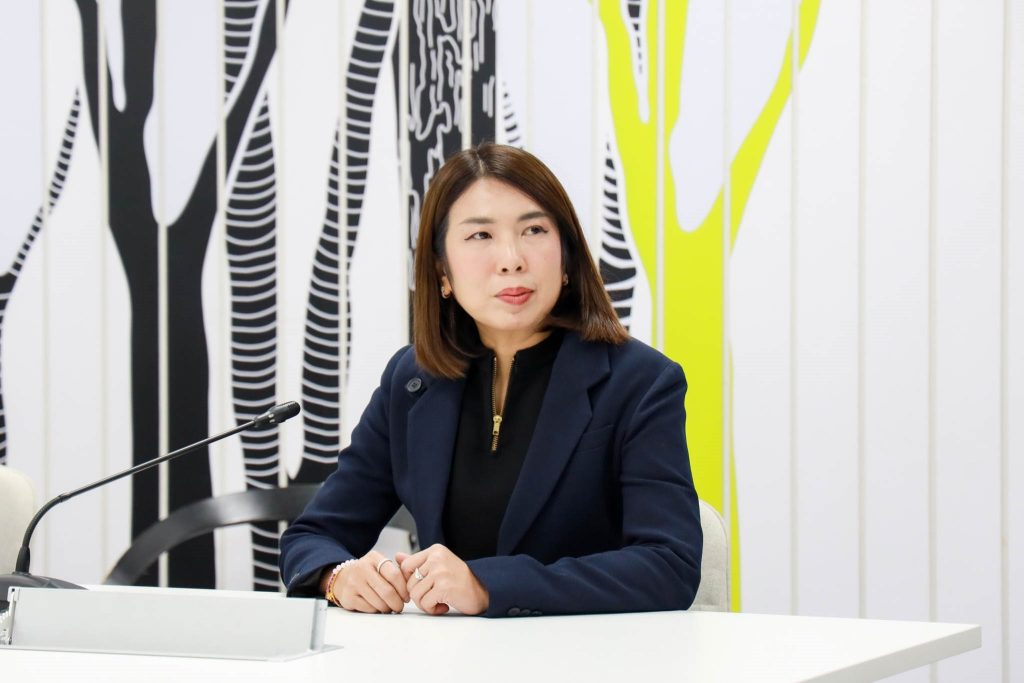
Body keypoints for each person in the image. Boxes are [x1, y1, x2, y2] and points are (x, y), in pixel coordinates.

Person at [279, 142, 702, 617]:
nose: (511, 259)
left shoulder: (641, 382)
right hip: (451, 653)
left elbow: (670, 565)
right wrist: (338, 576)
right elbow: (313, 536)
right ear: (442, 269)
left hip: (591, 651)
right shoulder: (412, 380)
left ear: (566, 258)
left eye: (534, 230)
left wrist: (489, 586)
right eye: (481, 235)